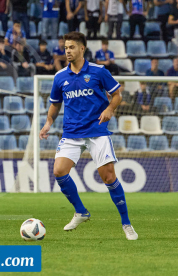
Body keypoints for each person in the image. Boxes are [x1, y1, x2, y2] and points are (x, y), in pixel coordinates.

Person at [39, 31, 137, 240]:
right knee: (58, 171)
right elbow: (55, 104)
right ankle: (81, 211)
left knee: (109, 177)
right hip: (72, 133)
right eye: (65, 47)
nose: (67, 51)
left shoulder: (98, 72)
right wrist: (48, 123)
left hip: (96, 131)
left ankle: (126, 223)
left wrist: (110, 109)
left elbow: (117, 94)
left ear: (82, 48)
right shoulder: (60, 77)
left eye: (71, 47)